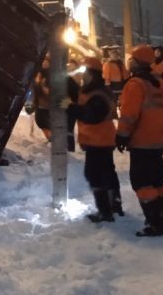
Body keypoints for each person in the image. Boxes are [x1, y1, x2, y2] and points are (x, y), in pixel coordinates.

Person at [116, 44, 163, 237]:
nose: (128, 62)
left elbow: (129, 115)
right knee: (158, 180)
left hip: (141, 140)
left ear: (136, 62)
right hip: (158, 140)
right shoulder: (158, 81)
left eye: (130, 59)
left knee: (141, 182)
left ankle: (155, 223)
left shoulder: (135, 84)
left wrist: (122, 135)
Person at [68, 56, 122, 222]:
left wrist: (71, 108)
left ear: (92, 74)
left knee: (94, 174)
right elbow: (81, 98)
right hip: (101, 140)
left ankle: (105, 211)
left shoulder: (98, 95)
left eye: (85, 72)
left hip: (99, 141)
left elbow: (91, 116)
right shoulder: (94, 90)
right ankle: (115, 205)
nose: (82, 76)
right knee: (107, 172)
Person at [103, 46, 129, 116]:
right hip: (113, 85)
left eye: (116, 55)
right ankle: (113, 114)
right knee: (113, 101)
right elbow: (106, 76)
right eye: (113, 55)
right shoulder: (108, 64)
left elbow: (125, 73)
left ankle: (123, 113)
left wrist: (127, 81)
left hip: (121, 84)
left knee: (123, 101)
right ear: (110, 56)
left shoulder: (121, 64)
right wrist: (108, 85)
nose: (115, 56)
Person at [33, 55, 51, 140]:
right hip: (40, 103)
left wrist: (43, 88)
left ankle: (52, 139)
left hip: (46, 104)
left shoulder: (50, 76)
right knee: (40, 121)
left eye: (47, 61)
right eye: (44, 61)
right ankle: (51, 138)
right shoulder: (40, 73)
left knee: (43, 122)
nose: (44, 63)